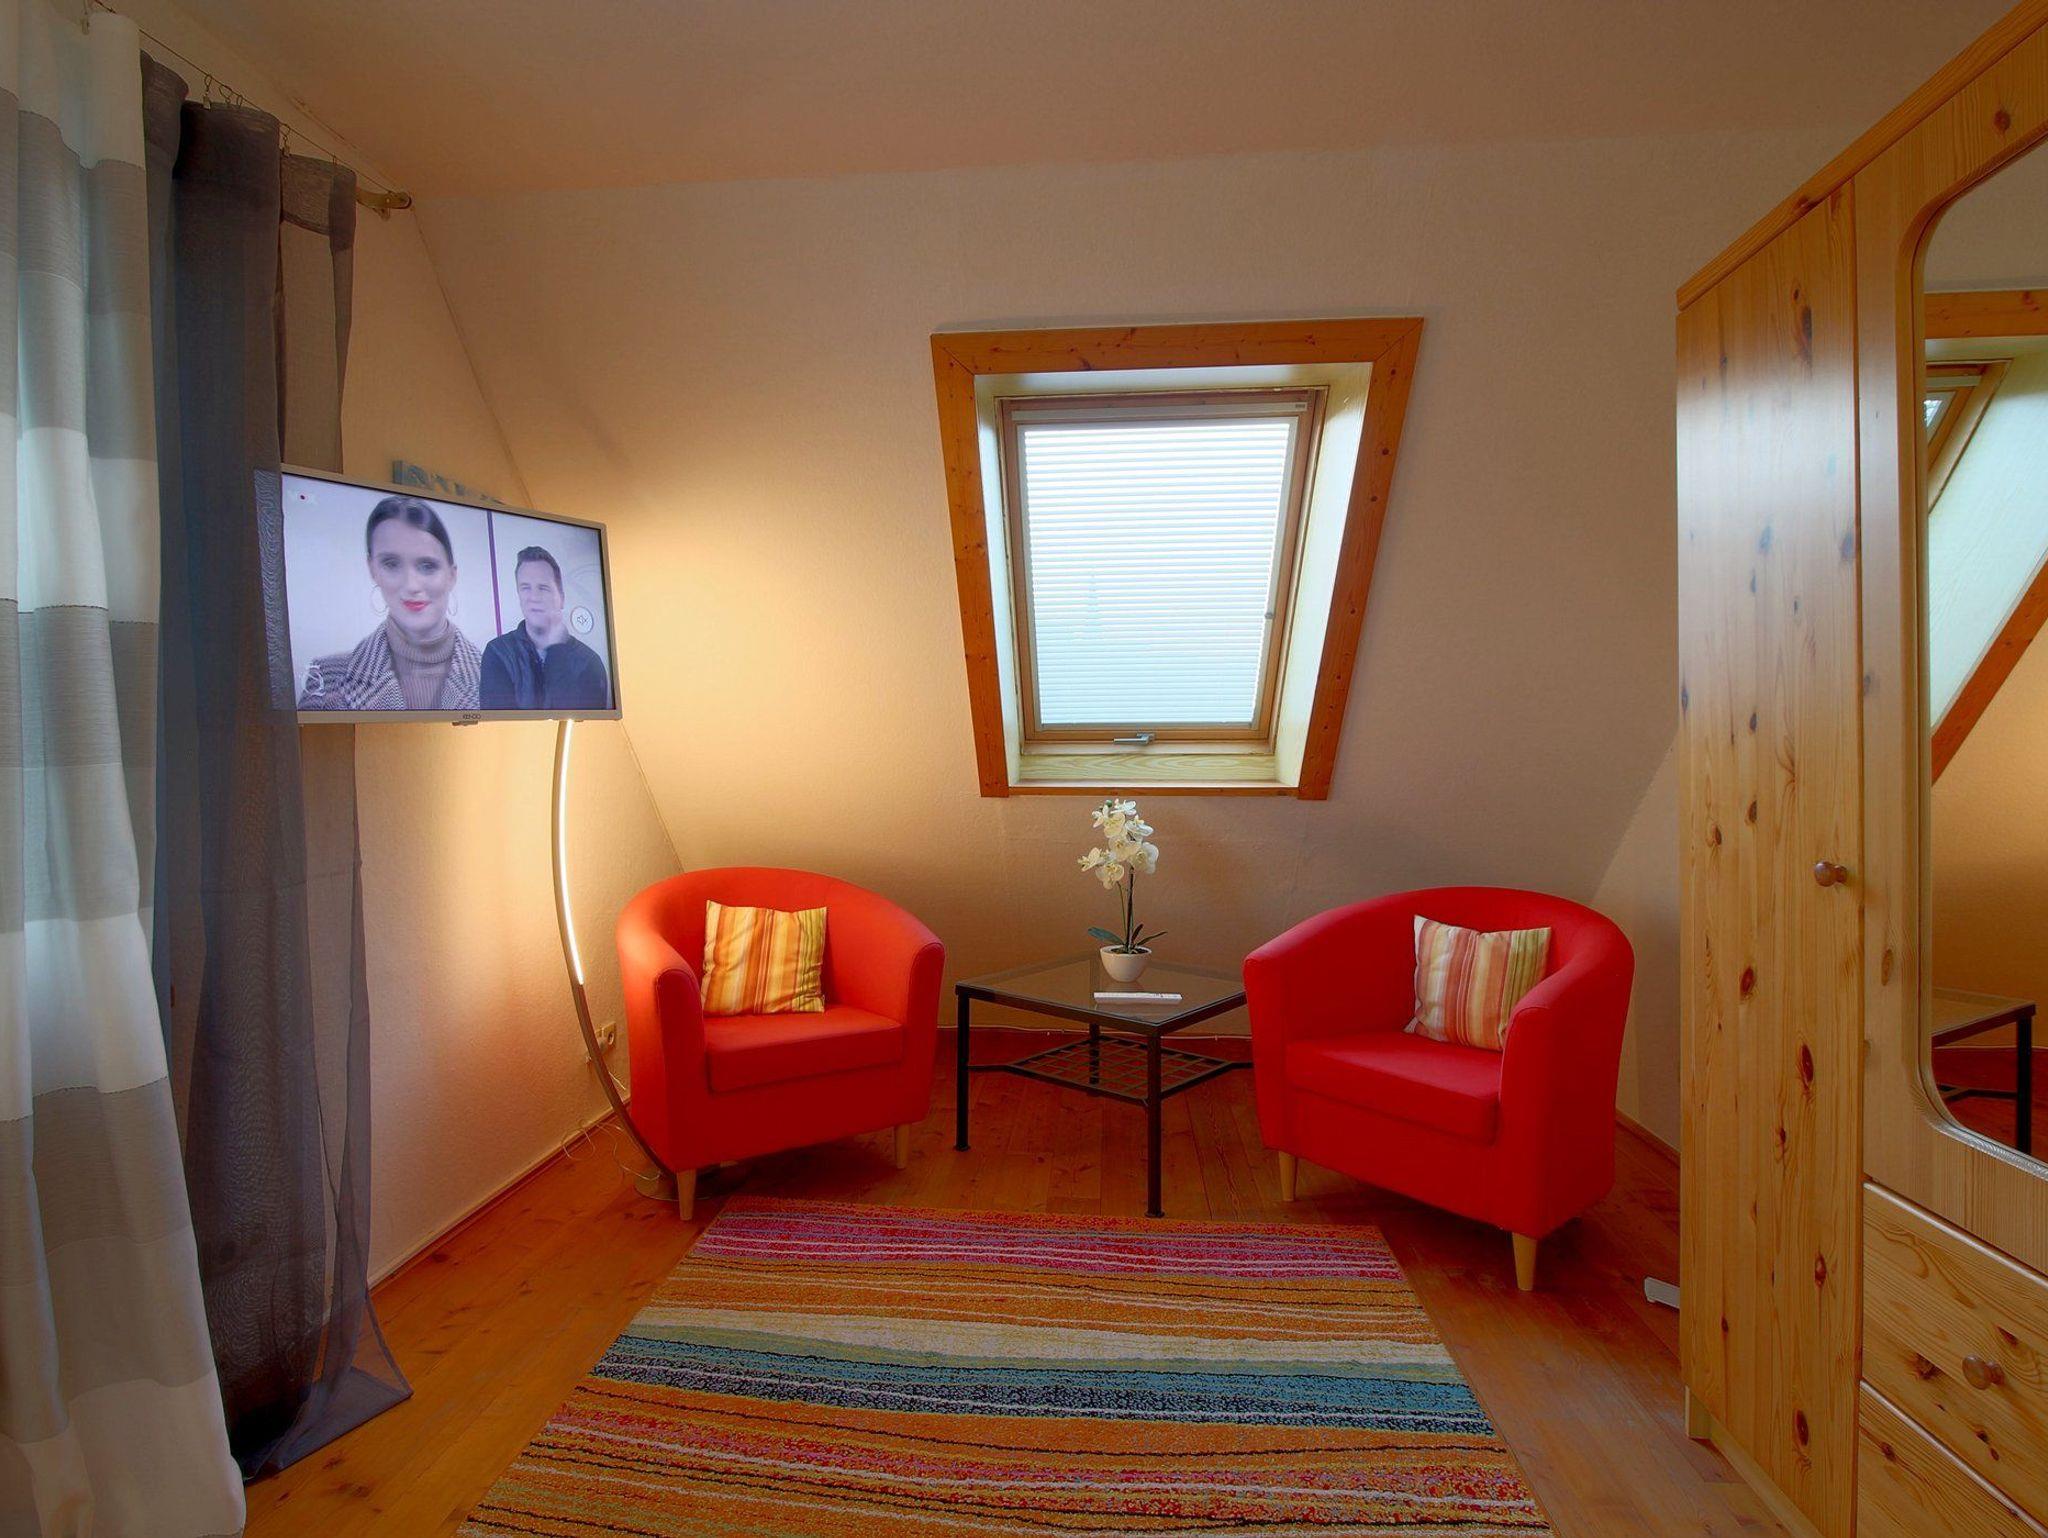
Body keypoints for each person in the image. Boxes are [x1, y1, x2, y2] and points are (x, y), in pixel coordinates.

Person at [298, 496, 482, 711]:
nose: (411, 585)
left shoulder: (498, 674)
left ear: (451, 575)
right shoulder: (326, 677)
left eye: (427, 566)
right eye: (391, 564)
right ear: (372, 569)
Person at [479, 545, 612, 711]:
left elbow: (576, 721)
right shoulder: (498, 652)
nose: (534, 597)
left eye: (543, 588)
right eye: (525, 588)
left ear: (561, 597)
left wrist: (557, 651)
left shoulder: (589, 662)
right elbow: (499, 723)